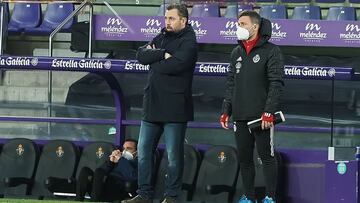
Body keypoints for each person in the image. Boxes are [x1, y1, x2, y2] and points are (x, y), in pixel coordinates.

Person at [122, 3, 198, 203]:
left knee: (174, 155)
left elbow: (177, 65)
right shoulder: (161, 36)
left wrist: (155, 60)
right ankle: (144, 194)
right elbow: (140, 55)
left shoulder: (190, 41)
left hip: (175, 106)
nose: (167, 22)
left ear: (184, 20)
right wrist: (162, 55)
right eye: (166, 18)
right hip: (152, 104)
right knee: (144, 152)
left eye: (171, 19)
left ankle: (171, 196)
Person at [220, 11, 284, 203]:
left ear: (255, 27)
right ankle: (248, 197)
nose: (238, 27)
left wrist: (268, 112)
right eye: (238, 23)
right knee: (245, 159)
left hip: (261, 118)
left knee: (267, 158)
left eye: (242, 24)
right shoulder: (236, 52)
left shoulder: (272, 51)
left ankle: (270, 198)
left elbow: (276, 83)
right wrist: (226, 110)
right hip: (240, 115)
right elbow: (231, 84)